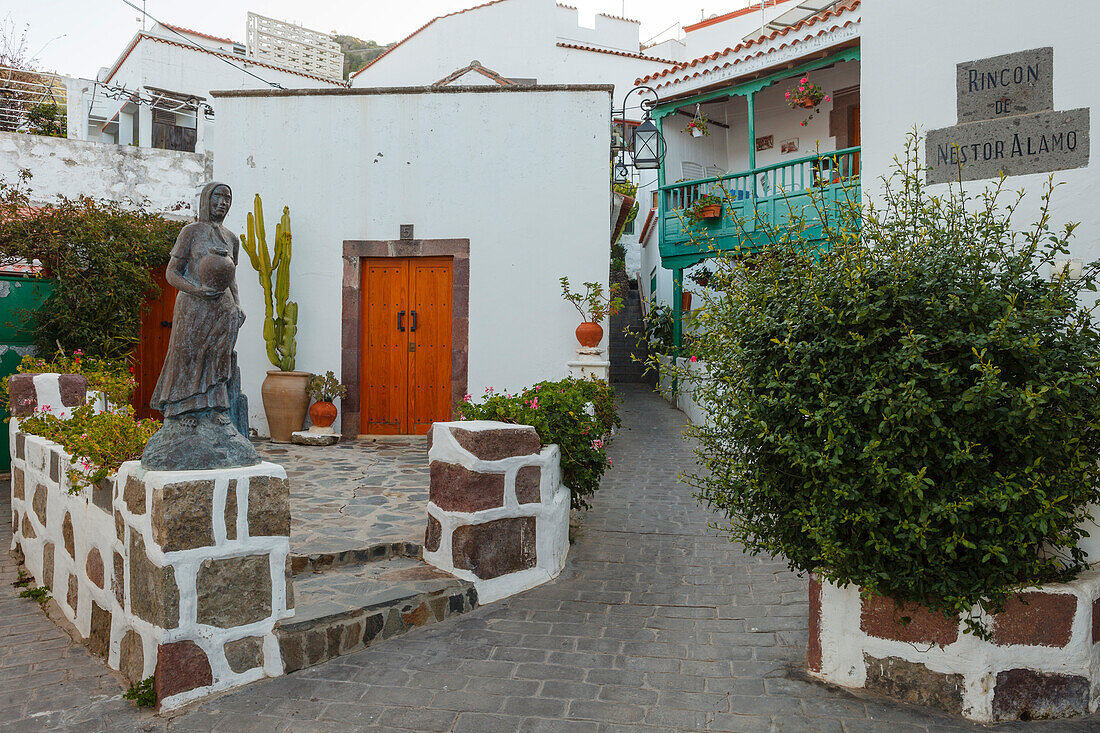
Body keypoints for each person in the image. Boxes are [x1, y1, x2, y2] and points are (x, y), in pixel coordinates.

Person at [150, 182, 245, 423]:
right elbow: (172, 273)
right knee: (187, 355)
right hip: (193, 306)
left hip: (221, 309)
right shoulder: (190, 232)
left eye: (227, 199)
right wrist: (197, 290)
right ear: (206, 200)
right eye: (217, 197)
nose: (222, 203)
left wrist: (237, 305)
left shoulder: (232, 238)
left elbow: (231, 277)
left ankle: (214, 409)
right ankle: (182, 410)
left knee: (217, 357)